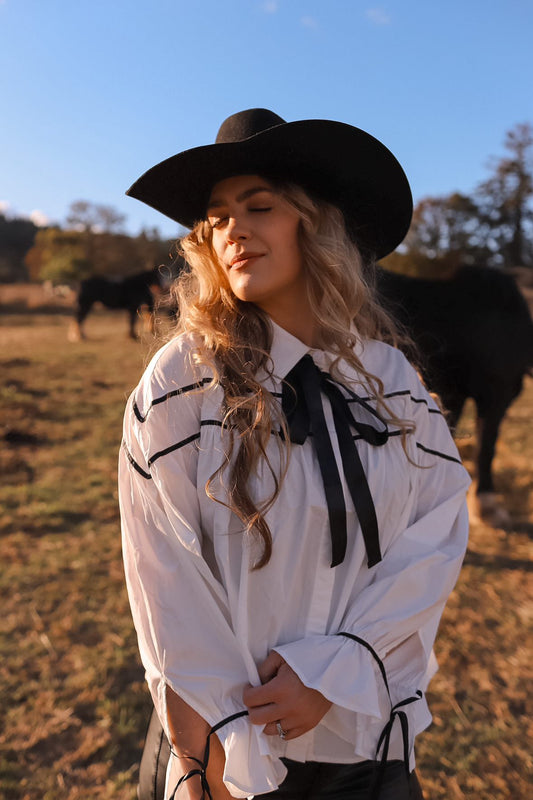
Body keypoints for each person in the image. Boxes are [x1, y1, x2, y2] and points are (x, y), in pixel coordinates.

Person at [119, 108, 470, 800]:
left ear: (314, 224)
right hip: (225, 752)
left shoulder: (388, 380)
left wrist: (341, 666)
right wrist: (209, 745)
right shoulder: (182, 382)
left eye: (259, 206)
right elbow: (164, 575)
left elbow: (436, 532)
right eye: (216, 218)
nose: (233, 231)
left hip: (359, 742)